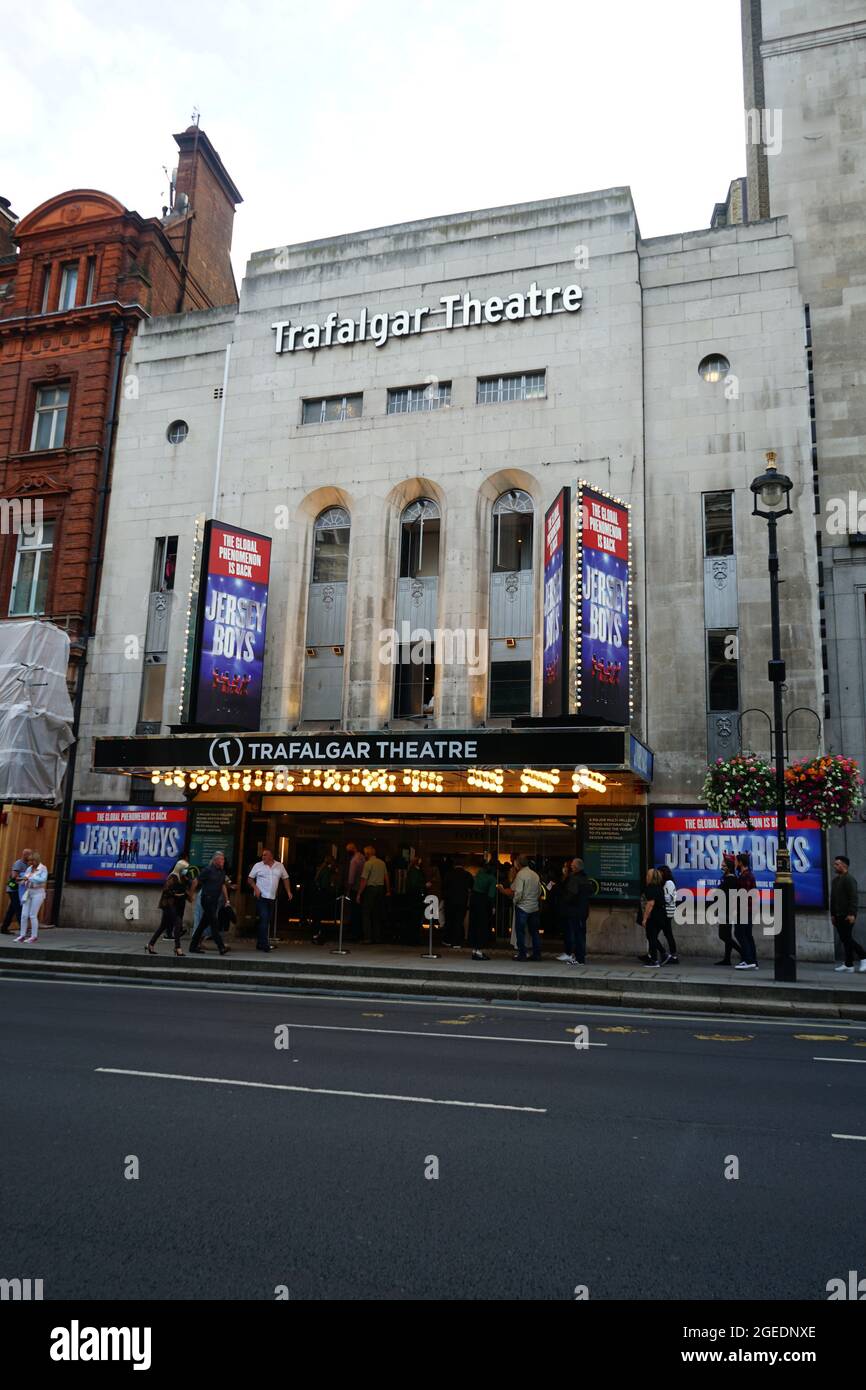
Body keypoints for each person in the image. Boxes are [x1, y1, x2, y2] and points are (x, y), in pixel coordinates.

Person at [248, 848, 292, 952]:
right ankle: (265, 944)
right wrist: (256, 888)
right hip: (261, 897)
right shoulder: (258, 865)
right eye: (262, 855)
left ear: (271, 856)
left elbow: (285, 878)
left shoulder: (279, 866)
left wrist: (288, 891)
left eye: (265, 855)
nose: (263, 857)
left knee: (266, 920)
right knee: (264, 918)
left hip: (272, 897)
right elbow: (250, 879)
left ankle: (259, 943)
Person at [189, 852, 231, 955]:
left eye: (223, 860)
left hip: (214, 901)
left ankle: (193, 946)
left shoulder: (222, 872)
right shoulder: (208, 870)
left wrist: (227, 900)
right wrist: (191, 895)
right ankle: (221, 947)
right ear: (216, 861)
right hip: (207, 900)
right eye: (221, 860)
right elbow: (195, 881)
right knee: (214, 923)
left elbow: (222, 886)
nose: (223, 862)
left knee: (202, 925)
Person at [147, 861, 192, 956]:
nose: (186, 870)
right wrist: (177, 894)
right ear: (180, 868)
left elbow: (186, 890)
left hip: (178, 905)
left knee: (163, 926)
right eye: (185, 868)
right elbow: (166, 891)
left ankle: (150, 944)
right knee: (178, 923)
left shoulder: (183, 878)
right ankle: (177, 948)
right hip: (169, 905)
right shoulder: (173, 877)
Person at [830, 854, 865, 973]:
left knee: (848, 939)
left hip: (847, 915)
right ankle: (848, 964)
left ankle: (864, 957)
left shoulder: (849, 879)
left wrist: (852, 914)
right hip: (838, 915)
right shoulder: (835, 881)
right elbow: (833, 899)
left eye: (837, 864)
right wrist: (833, 914)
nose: (834, 866)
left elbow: (853, 898)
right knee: (845, 940)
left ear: (844, 866)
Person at [558, 858, 593, 965]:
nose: (571, 867)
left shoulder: (575, 879)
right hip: (582, 911)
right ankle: (579, 956)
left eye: (572, 865)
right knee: (580, 934)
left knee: (578, 935)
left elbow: (571, 895)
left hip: (575, 911)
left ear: (576, 867)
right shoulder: (585, 878)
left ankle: (579, 958)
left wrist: (564, 900)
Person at [511, 854, 542, 962]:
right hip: (534, 907)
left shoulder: (520, 875)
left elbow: (518, 892)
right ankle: (537, 954)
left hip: (522, 907)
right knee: (535, 932)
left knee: (520, 931)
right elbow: (539, 891)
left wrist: (515, 901)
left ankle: (522, 954)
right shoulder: (535, 875)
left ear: (518, 863)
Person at [358, 844, 390, 945]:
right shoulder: (382, 863)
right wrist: (388, 890)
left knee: (366, 914)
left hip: (370, 889)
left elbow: (364, 880)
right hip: (380, 889)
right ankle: (377, 937)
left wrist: (359, 893)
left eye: (364, 853)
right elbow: (386, 878)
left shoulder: (368, 864)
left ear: (367, 854)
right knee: (377, 914)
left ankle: (367, 937)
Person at [716, 853, 743, 966]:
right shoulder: (727, 879)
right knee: (727, 935)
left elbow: (731, 896)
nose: (722, 868)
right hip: (725, 909)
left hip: (727, 911)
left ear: (729, 867)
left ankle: (743, 952)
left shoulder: (731, 880)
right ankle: (727, 959)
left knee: (723, 935)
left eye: (724, 866)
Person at [733, 852, 758, 969]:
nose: (735, 863)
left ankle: (748, 960)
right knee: (748, 935)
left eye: (737, 861)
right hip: (750, 910)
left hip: (744, 910)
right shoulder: (749, 875)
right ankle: (753, 961)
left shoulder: (745, 876)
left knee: (739, 933)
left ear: (741, 863)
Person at [16, 852, 48, 943]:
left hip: (38, 892)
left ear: (36, 860)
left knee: (33, 915)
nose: (30, 862)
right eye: (29, 861)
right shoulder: (29, 868)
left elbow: (43, 879)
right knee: (24, 915)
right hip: (29, 891)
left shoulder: (43, 868)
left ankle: (34, 936)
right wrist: (20, 881)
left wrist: (29, 878)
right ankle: (22, 935)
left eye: (32, 860)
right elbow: (25, 879)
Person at [441, 858, 473, 949]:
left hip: (449, 901)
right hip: (462, 902)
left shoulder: (448, 874)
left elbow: (444, 887)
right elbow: (471, 888)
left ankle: (447, 940)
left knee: (449, 921)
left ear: (454, 865)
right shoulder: (467, 875)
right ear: (463, 865)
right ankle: (457, 942)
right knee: (458, 922)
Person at [468, 860, 497, 960]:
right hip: (483, 901)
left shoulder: (479, 873)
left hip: (474, 899)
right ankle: (479, 950)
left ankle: (474, 950)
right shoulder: (492, 879)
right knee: (482, 926)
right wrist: (492, 907)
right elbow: (491, 895)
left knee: (474, 924)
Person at [640, 867, 668, 966]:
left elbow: (650, 904)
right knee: (652, 937)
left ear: (651, 877)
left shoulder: (651, 888)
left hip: (654, 917)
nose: (646, 877)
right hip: (661, 916)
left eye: (648, 875)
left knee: (651, 937)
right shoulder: (659, 887)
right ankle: (663, 954)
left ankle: (654, 960)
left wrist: (644, 919)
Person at [2, 847, 33, 934]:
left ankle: (4, 928)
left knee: (12, 910)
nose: (31, 856)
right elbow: (14, 876)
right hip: (14, 890)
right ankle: (24, 929)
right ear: (25, 855)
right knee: (19, 909)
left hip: (20, 890)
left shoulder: (27, 864)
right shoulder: (18, 863)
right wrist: (25, 877)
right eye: (30, 854)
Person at [310, 853, 337, 944]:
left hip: (318, 895)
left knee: (317, 916)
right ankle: (318, 934)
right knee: (320, 915)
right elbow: (326, 884)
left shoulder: (321, 869)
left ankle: (316, 933)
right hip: (323, 895)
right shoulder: (327, 870)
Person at [344, 841, 366, 942]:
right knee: (360, 912)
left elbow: (351, 878)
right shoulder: (362, 857)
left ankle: (354, 934)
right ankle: (360, 933)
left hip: (355, 888)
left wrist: (348, 889)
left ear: (352, 849)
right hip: (363, 888)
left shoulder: (354, 861)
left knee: (353, 912)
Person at [658, 864, 680, 964]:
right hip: (665, 911)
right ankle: (672, 955)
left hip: (667, 912)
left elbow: (669, 898)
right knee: (667, 933)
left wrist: (658, 898)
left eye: (660, 873)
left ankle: (672, 955)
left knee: (664, 933)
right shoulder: (664, 883)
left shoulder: (669, 883)